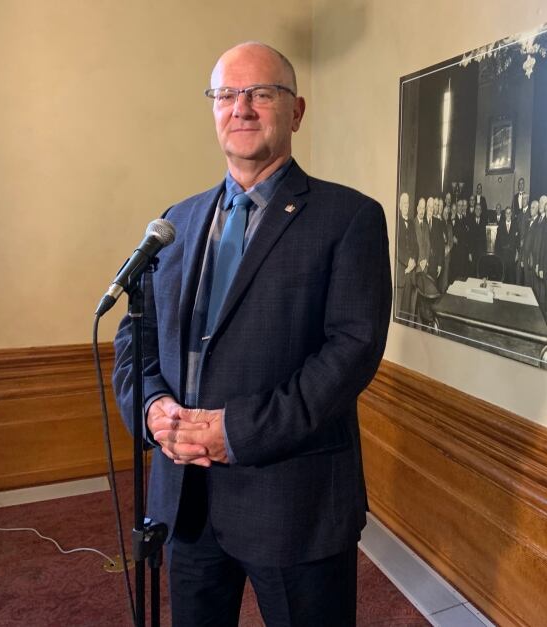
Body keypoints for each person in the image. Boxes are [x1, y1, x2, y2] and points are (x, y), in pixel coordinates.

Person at [112, 42, 391, 626]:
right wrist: (153, 408)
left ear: (296, 111)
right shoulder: (176, 222)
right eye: (226, 95)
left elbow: (350, 352)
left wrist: (234, 430)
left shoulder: (349, 218)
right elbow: (133, 340)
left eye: (261, 93)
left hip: (293, 501)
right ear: (213, 109)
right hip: (186, 495)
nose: (241, 108)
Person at [396, 191, 418, 320]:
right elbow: (396, 246)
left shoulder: (411, 223)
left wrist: (413, 261)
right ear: (399, 205)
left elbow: (416, 246)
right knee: (398, 313)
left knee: (407, 311)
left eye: (408, 203)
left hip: (411, 274)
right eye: (404, 203)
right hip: (401, 272)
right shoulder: (396, 222)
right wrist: (407, 262)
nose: (406, 206)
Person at [494, 206, 519, 283]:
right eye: (506, 213)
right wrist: (498, 257)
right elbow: (497, 243)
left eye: (509, 213)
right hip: (503, 256)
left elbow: (517, 241)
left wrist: (517, 253)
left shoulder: (515, 225)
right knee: (503, 279)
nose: (508, 214)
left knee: (511, 279)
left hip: (512, 256)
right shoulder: (500, 226)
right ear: (504, 214)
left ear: (511, 214)